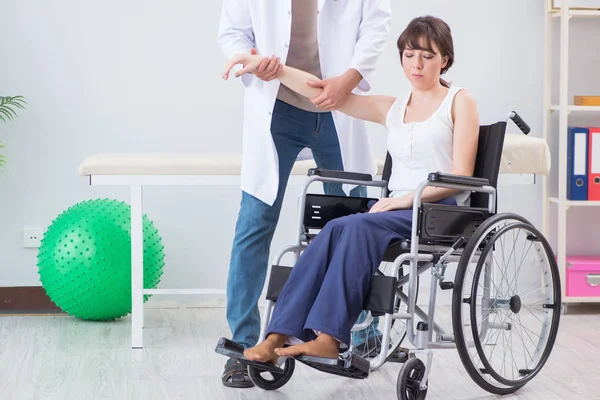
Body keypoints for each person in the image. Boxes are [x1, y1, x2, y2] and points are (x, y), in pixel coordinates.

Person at [221, 15, 479, 363]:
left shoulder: (459, 101)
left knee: (355, 226)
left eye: (427, 56)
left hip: (436, 209)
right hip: (396, 209)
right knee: (333, 228)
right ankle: (276, 336)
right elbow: (323, 91)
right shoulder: (394, 106)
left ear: (444, 59)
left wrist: (401, 200)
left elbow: (459, 173)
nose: (416, 64)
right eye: (409, 54)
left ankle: (329, 336)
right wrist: (272, 68)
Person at [217, 0, 392, 387]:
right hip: (277, 105)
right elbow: (233, 31)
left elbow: (377, 22)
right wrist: (250, 58)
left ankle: (362, 334)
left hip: (338, 105)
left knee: (357, 223)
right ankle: (243, 345)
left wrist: (349, 78)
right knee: (255, 221)